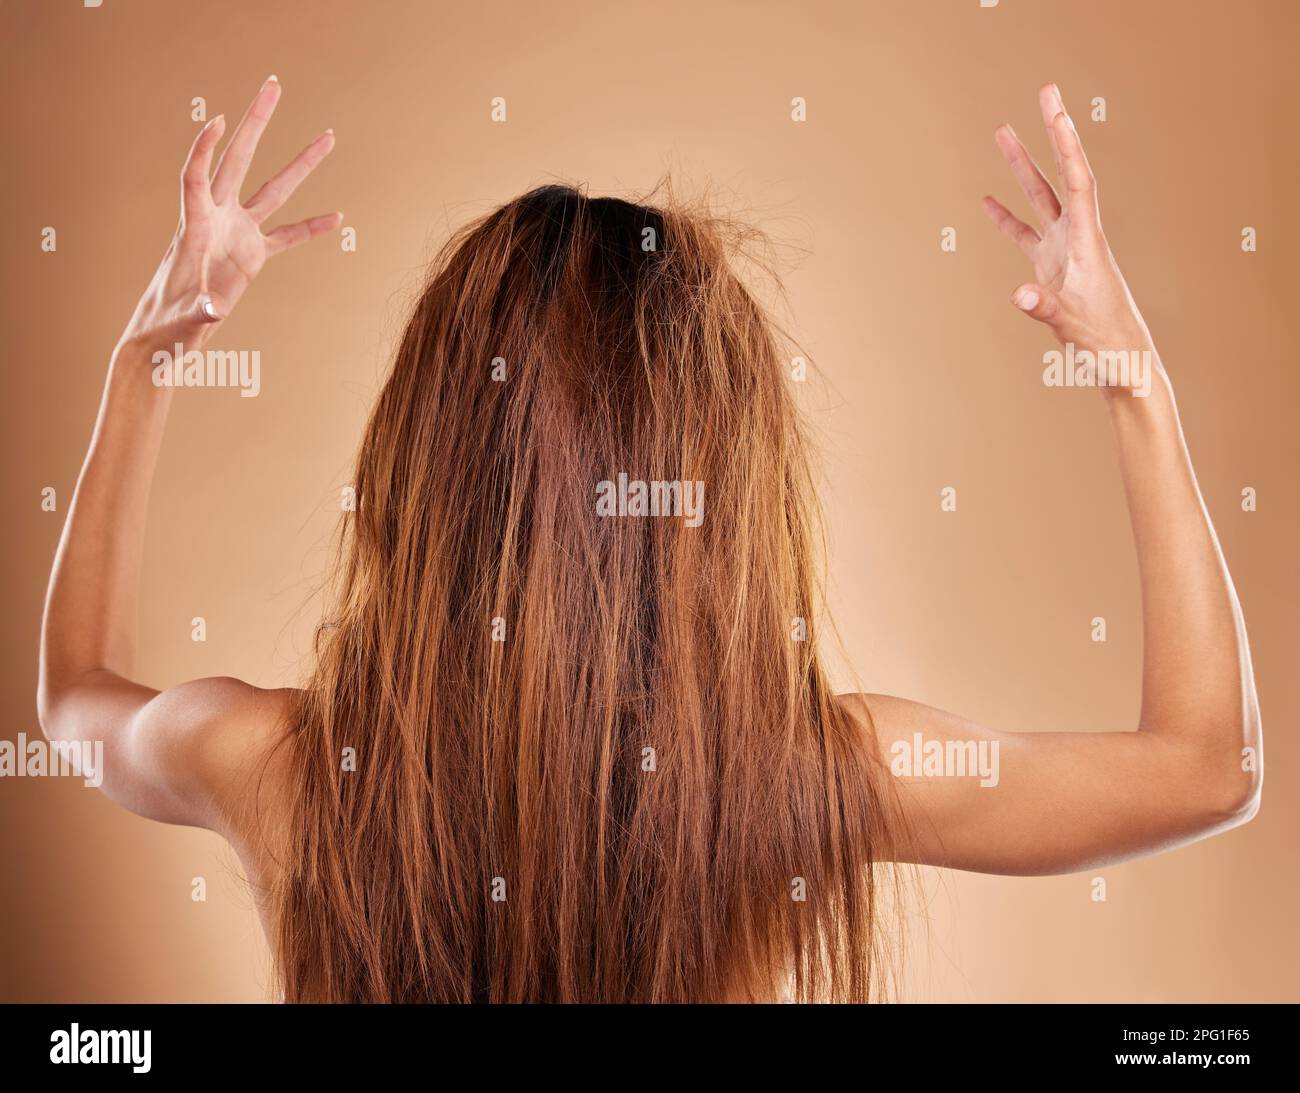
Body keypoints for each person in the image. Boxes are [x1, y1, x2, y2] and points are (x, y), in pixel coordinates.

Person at [37, 78, 1261, 1003]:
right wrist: (1129, 376)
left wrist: (147, 361)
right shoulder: (805, 788)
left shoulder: (278, 765)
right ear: (726, 491)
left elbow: (72, 693)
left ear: (423, 463)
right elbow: (1208, 766)